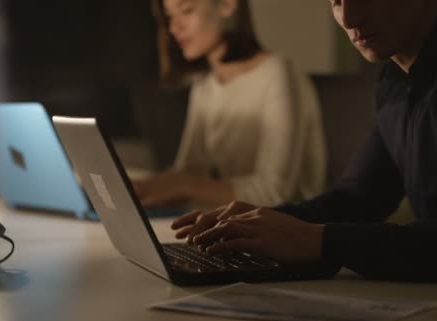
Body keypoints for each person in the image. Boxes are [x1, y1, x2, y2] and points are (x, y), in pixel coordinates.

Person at [169, 0, 437, 283]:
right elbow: (360, 198)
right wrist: (259, 222)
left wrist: (318, 241)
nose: (348, 17)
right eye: (335, 0)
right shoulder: (393, 80)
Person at [134, 0, 326, 209]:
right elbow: (190, 172)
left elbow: (274, 193)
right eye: (170, 16)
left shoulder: (278, 75)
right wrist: (140, 188)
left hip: (286, 230)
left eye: (186, 11)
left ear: (227, 5)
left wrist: (181, 184)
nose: (174, 27)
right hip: (231, 227)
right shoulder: (205, 85)